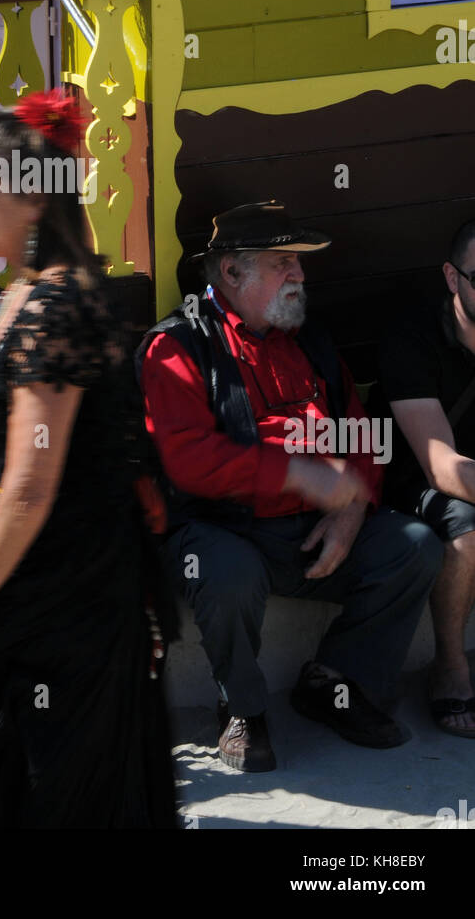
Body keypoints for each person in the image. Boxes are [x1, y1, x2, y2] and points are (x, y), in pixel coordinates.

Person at [0, 88, 176, 828]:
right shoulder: (22, 297)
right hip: (36, 592)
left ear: (34, 202)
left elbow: (29, 485)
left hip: (59, 606)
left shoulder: (55, 308)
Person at [139, 200, 442, 772]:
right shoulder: (176, 346)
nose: (300, 276)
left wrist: (353, 512)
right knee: (222, 572)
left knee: (415, 546)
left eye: (300, 264)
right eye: (283, 262)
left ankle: (335, 684)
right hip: (226, 530)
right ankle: (243, 712)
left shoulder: (311, 340)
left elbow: (361, 431)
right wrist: (294, 472)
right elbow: (189, 460)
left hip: (315, 528)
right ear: (231, 272)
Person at [378, 219, 475, 738]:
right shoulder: (412, 337)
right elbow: (441, 466)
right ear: (452, 277)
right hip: (409, 474)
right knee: (465, 520)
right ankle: (451, 665)